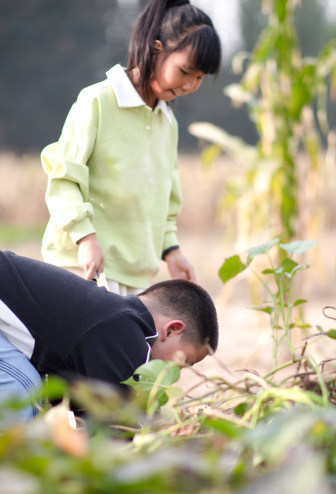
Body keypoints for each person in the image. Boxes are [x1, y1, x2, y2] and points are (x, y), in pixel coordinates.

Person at [0, 242, 219, 428]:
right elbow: (120, 428)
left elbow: (75, 412)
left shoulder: (107, 325)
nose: (172, 375)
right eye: (182, 363)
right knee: (14, 401)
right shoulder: (126, 330)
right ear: (171, 329)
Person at [41, 0, 222, 295]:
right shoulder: (98, 102)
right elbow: (63, 179)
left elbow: (164, 201)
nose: (190, 85)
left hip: (135, 277)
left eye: (200, 78)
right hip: (83, 269)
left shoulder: (167, 123)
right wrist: (85, 237)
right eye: (186, 71)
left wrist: (171, 250)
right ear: (156, 48)